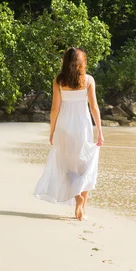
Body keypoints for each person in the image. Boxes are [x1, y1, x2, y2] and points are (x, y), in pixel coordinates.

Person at [33, 47, 104, 220]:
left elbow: (55, 108)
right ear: (82, 63)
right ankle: (82, 207)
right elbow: (94, 107)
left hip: (64, 126)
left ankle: (79, 201)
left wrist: (52, 131)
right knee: (84, 165)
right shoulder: (88, 80)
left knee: (65, 165)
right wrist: (100, 131)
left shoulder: (59, 80)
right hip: (83, 126)